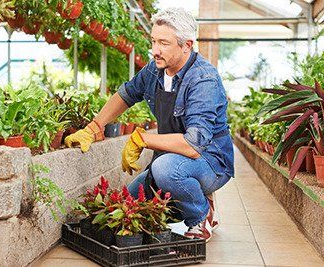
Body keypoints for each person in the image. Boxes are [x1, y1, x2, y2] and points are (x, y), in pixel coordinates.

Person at [64, 7, 234, 242]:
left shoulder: (203, 79)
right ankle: (196, 197)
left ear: (186, 45)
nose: (155, 50)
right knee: (128, 202)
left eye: (164, 43)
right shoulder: (155, 70)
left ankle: (200, 217)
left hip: (210, 162)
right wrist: (95, 126)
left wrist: (142, 139)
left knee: (166, 171)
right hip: (172, 157)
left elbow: (193, 145)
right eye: (154, 41)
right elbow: (126, 94)